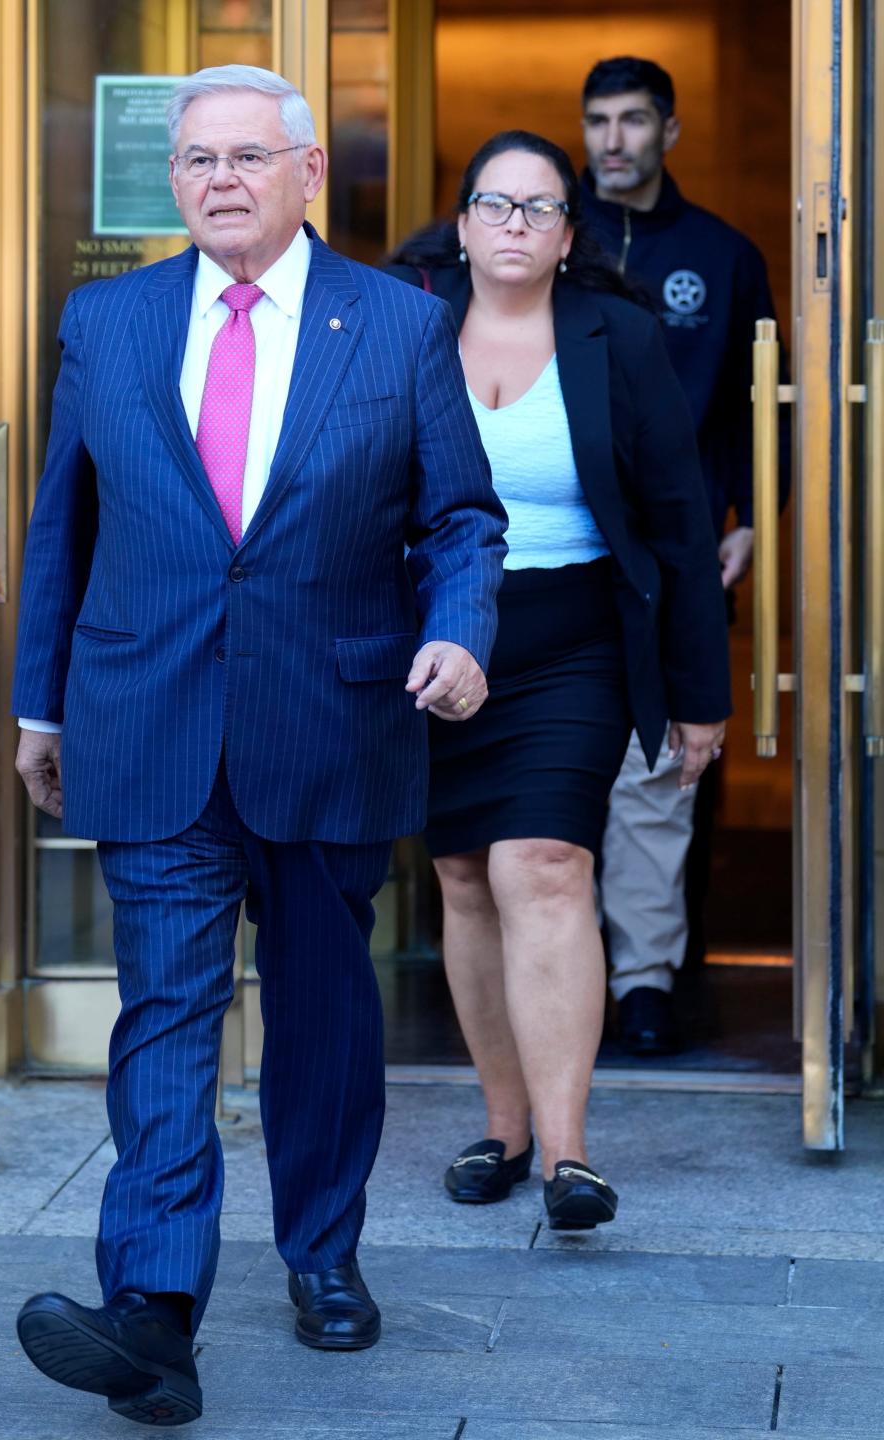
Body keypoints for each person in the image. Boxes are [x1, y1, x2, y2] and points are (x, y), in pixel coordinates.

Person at [11, 64, 507, 1427]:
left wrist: (461, 631)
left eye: (244, 156)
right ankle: (154, 1313)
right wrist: (37, 705)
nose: (218, 180)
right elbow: (67, 526)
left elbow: (461, 517)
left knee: (325, 1013)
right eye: (194, 162)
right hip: (149, 715)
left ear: (304, 172)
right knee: (164, 1012)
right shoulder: (106, 321)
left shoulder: (398, 324)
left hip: (331, 720)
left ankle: (322, 1250)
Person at [385, 130, 730, 1230]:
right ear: (466, 222)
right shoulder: (407, 325)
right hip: (442, 639)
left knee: (544, 864)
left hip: (573, 636)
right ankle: (504, 1125)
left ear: (569, 233)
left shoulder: (616, 336)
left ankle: (568, 1155)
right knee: (465, 882)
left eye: (542, 209)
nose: (518, 225)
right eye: (498, 204)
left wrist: (700, 695)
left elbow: (680, 522)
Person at [580, 56, 789, 1054]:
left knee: (672, 766)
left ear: (669, 132)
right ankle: (579, 964)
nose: (612, 140)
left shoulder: (725, 251)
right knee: (569, 764)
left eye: (631, 121)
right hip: (566, 548)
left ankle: (653, 976)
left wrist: (754, 516)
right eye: (597, 122)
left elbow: (766, 401)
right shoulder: (551, 236)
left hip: (688, 553)